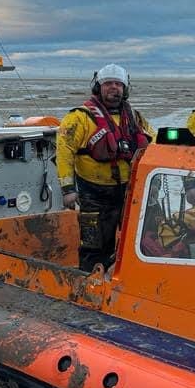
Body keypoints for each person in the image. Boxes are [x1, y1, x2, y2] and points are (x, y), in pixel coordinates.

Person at [57, 64, 154, 274]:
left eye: (118, 84)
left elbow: (154, 143)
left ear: (125, 88)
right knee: (95, 247)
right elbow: (64, 151)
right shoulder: (79, 117)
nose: (114, 88)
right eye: (108, 83)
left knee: (142, 240)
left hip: (130, 192)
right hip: (94, 195)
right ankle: (87, 284)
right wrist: (67, 189)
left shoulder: (135, 118)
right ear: (98, 87)